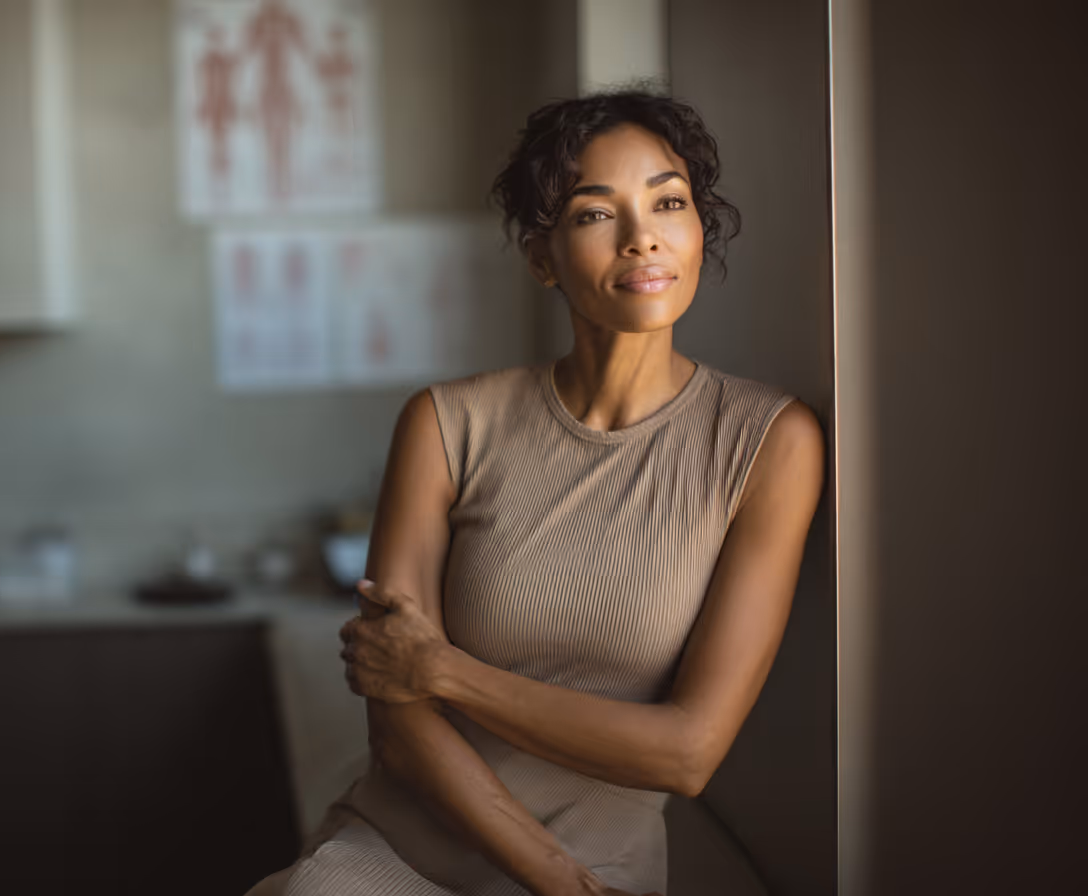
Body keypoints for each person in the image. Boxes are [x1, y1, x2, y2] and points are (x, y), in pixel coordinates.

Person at [245, 88, 826, 896]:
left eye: (670, 202)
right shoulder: (447, 422)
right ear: (540, 255)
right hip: (401, 851)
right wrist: (556, 881)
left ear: (700, 228)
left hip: (607, 862)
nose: (642, 238)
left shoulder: (768, 441)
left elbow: (689, 753)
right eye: (596, 214)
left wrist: (443, 671)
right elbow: (395, 716)